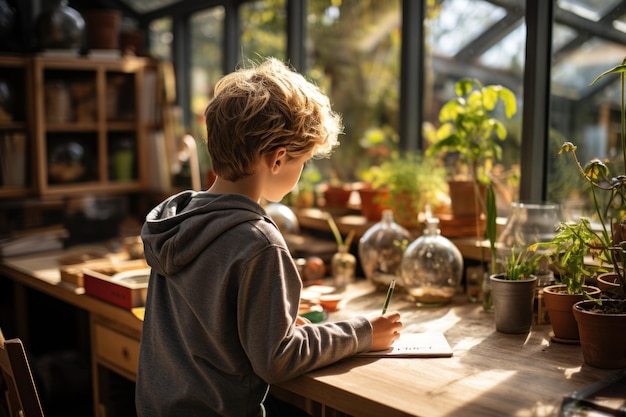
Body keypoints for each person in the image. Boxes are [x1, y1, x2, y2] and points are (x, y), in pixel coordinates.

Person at [135, 57, 402, 417]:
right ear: (277, 160)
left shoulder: (178, 221)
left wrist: (277, 325)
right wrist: (365, 332)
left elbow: (215, 328)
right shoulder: (258, 241)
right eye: (302, 161)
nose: (301, 173)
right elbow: (277, 360)